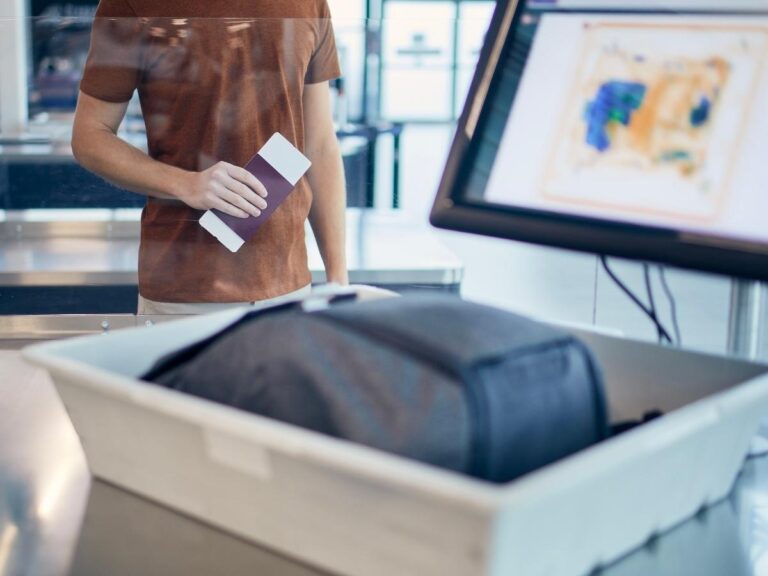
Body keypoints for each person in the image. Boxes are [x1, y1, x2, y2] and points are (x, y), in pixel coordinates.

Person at [72, 0, 348, 314]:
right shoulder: (131, 4)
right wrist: (186, 184)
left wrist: (338, 280)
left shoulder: (310, 3)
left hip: (290, 288)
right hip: (184, 292)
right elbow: (90, 135)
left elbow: (319, 145)